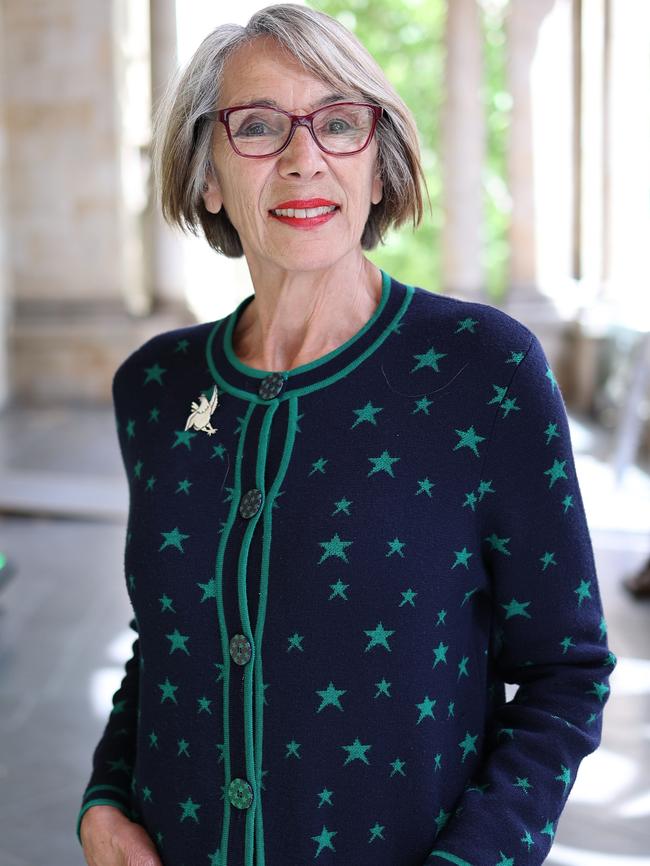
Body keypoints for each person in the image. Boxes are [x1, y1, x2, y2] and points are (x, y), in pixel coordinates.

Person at [77, 5, 615, 865]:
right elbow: (170, 643)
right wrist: (105, 800)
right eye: (255, 126)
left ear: (377, 166)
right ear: (207, 175)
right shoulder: (154, 387)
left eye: (338, 123)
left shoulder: (481, 369)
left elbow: (567, 672)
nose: (303, 158)